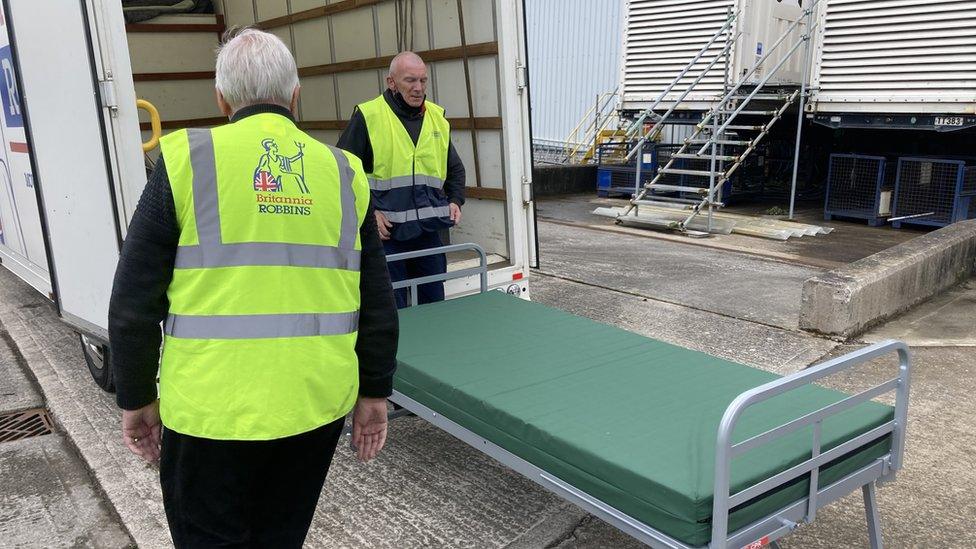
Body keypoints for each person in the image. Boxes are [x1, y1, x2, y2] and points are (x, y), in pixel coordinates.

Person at [108, 28, 398, 548]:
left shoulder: (184, 162)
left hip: (207, 413)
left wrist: (136, 398)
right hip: (313, 408)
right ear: (295, 94)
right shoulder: (342, 172)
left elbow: (133, 303)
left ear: (222, 98)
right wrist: (375, 390)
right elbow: (377, 299)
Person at [337, 51, 465, 308]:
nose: (418, 88)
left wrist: (455, 199)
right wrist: (368, 212)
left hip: (429, 233)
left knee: (435, 310)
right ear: (391, 82)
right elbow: (342, 170)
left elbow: (456, 169)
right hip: (389, 239)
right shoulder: (369, 116)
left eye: (423, 81)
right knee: (395, 312)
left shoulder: (436, 118)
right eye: (410, 81)